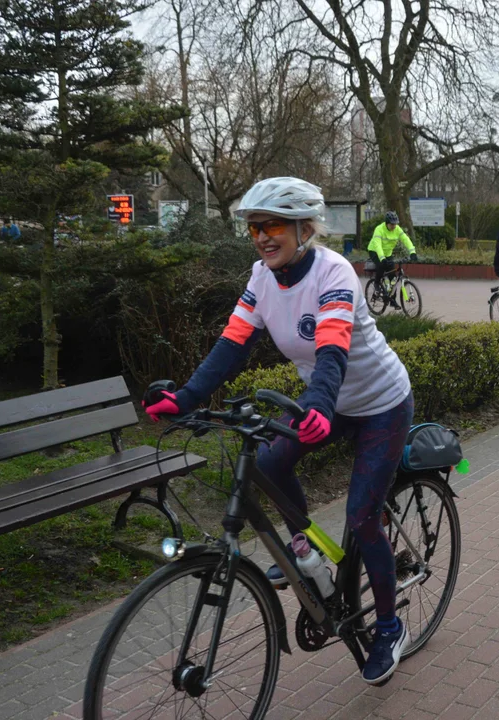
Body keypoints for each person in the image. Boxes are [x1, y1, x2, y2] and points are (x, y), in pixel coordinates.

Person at [143, 177, 414, 685]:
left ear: (303, 228)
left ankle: (389, 627)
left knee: (362, 519)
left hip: (379, 404)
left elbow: (332, 348)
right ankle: (306, 550)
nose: (262, 237)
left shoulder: (334, 272)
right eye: (253, 228)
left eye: (272, 226)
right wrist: (186, 397)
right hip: (327, 403)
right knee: (268, 464)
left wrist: (316, 404)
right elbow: (233, 343)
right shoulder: (262, 277)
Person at [367, 211, 417, 306]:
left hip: (388, 253)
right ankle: (377, 283)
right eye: (392, 224)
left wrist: (412, 252)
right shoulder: (379, 229)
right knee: (381, 265)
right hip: (374, 251)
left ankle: (392, 301)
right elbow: (377, 245)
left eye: (395, 224)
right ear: (386, 223)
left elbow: (406, 240)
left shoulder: (397, 229)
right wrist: (382, 258)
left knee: (393, 278)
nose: (394, 226)